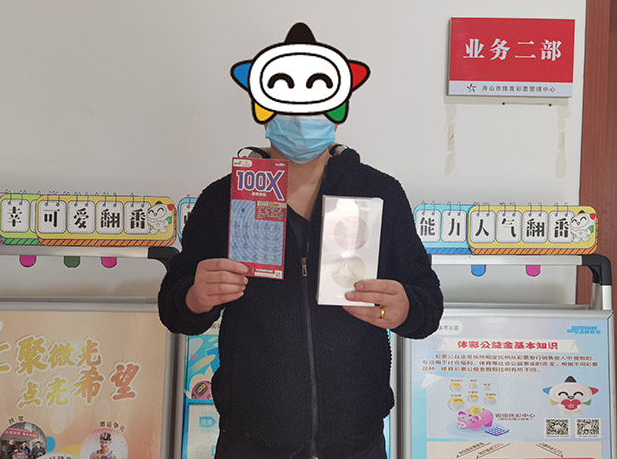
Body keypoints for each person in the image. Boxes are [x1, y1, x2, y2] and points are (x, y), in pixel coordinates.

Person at [158, 23, 443, 459]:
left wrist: (406, 308)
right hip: (248, 444)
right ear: (261, 104)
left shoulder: (379, 193)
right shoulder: (224, 198)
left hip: (357, 443)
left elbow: (428, 305)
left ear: (340, 103)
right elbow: (173, 308)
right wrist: (195, 298)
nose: (302, 115)